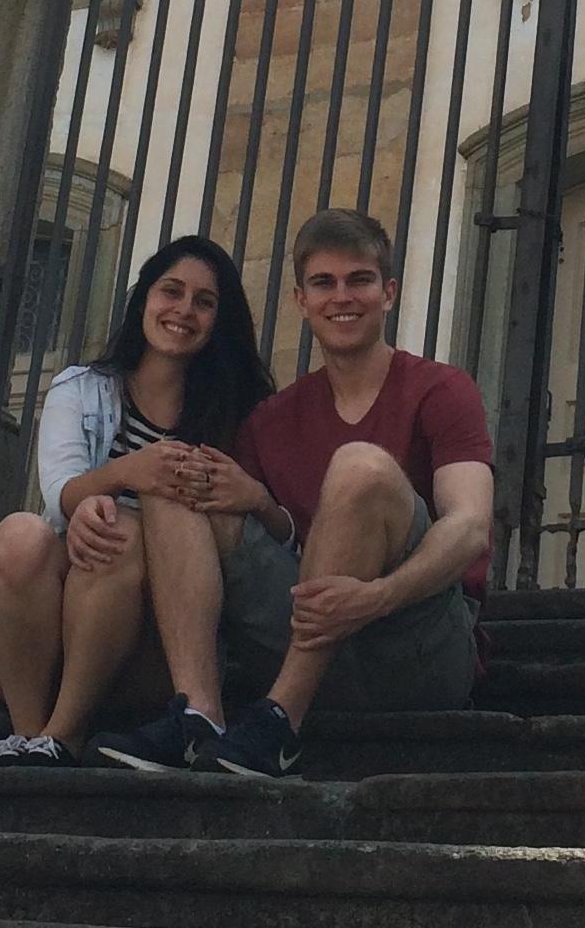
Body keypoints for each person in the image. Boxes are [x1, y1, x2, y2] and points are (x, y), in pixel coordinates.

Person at [96, 206, 491, 781]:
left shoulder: (441, 389)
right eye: (323, 283)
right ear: (301, 301)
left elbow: (470, 525)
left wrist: (378, 596)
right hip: (306, 626)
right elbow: (279, 539)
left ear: (389, 292)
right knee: (177, 481)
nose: (342, 297)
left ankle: (280, 723)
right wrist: (255, 500)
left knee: (360, 469)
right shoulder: (272, 420)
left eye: (359, 280)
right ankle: (199, 717)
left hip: (418, 646)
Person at [0, 235, 274, 764]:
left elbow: (268, 536)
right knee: (21, 533)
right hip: (32, 640)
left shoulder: (238, 412)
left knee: (120, 530)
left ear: (220, 320)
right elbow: (59, 491)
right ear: (143, 300)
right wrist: (127, 472)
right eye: (170, 291)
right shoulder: (80, 388)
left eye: (204, 301)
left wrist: (252, 496)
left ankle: (64, 732)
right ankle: (28, 733)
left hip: (144, 654)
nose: (183, 310)